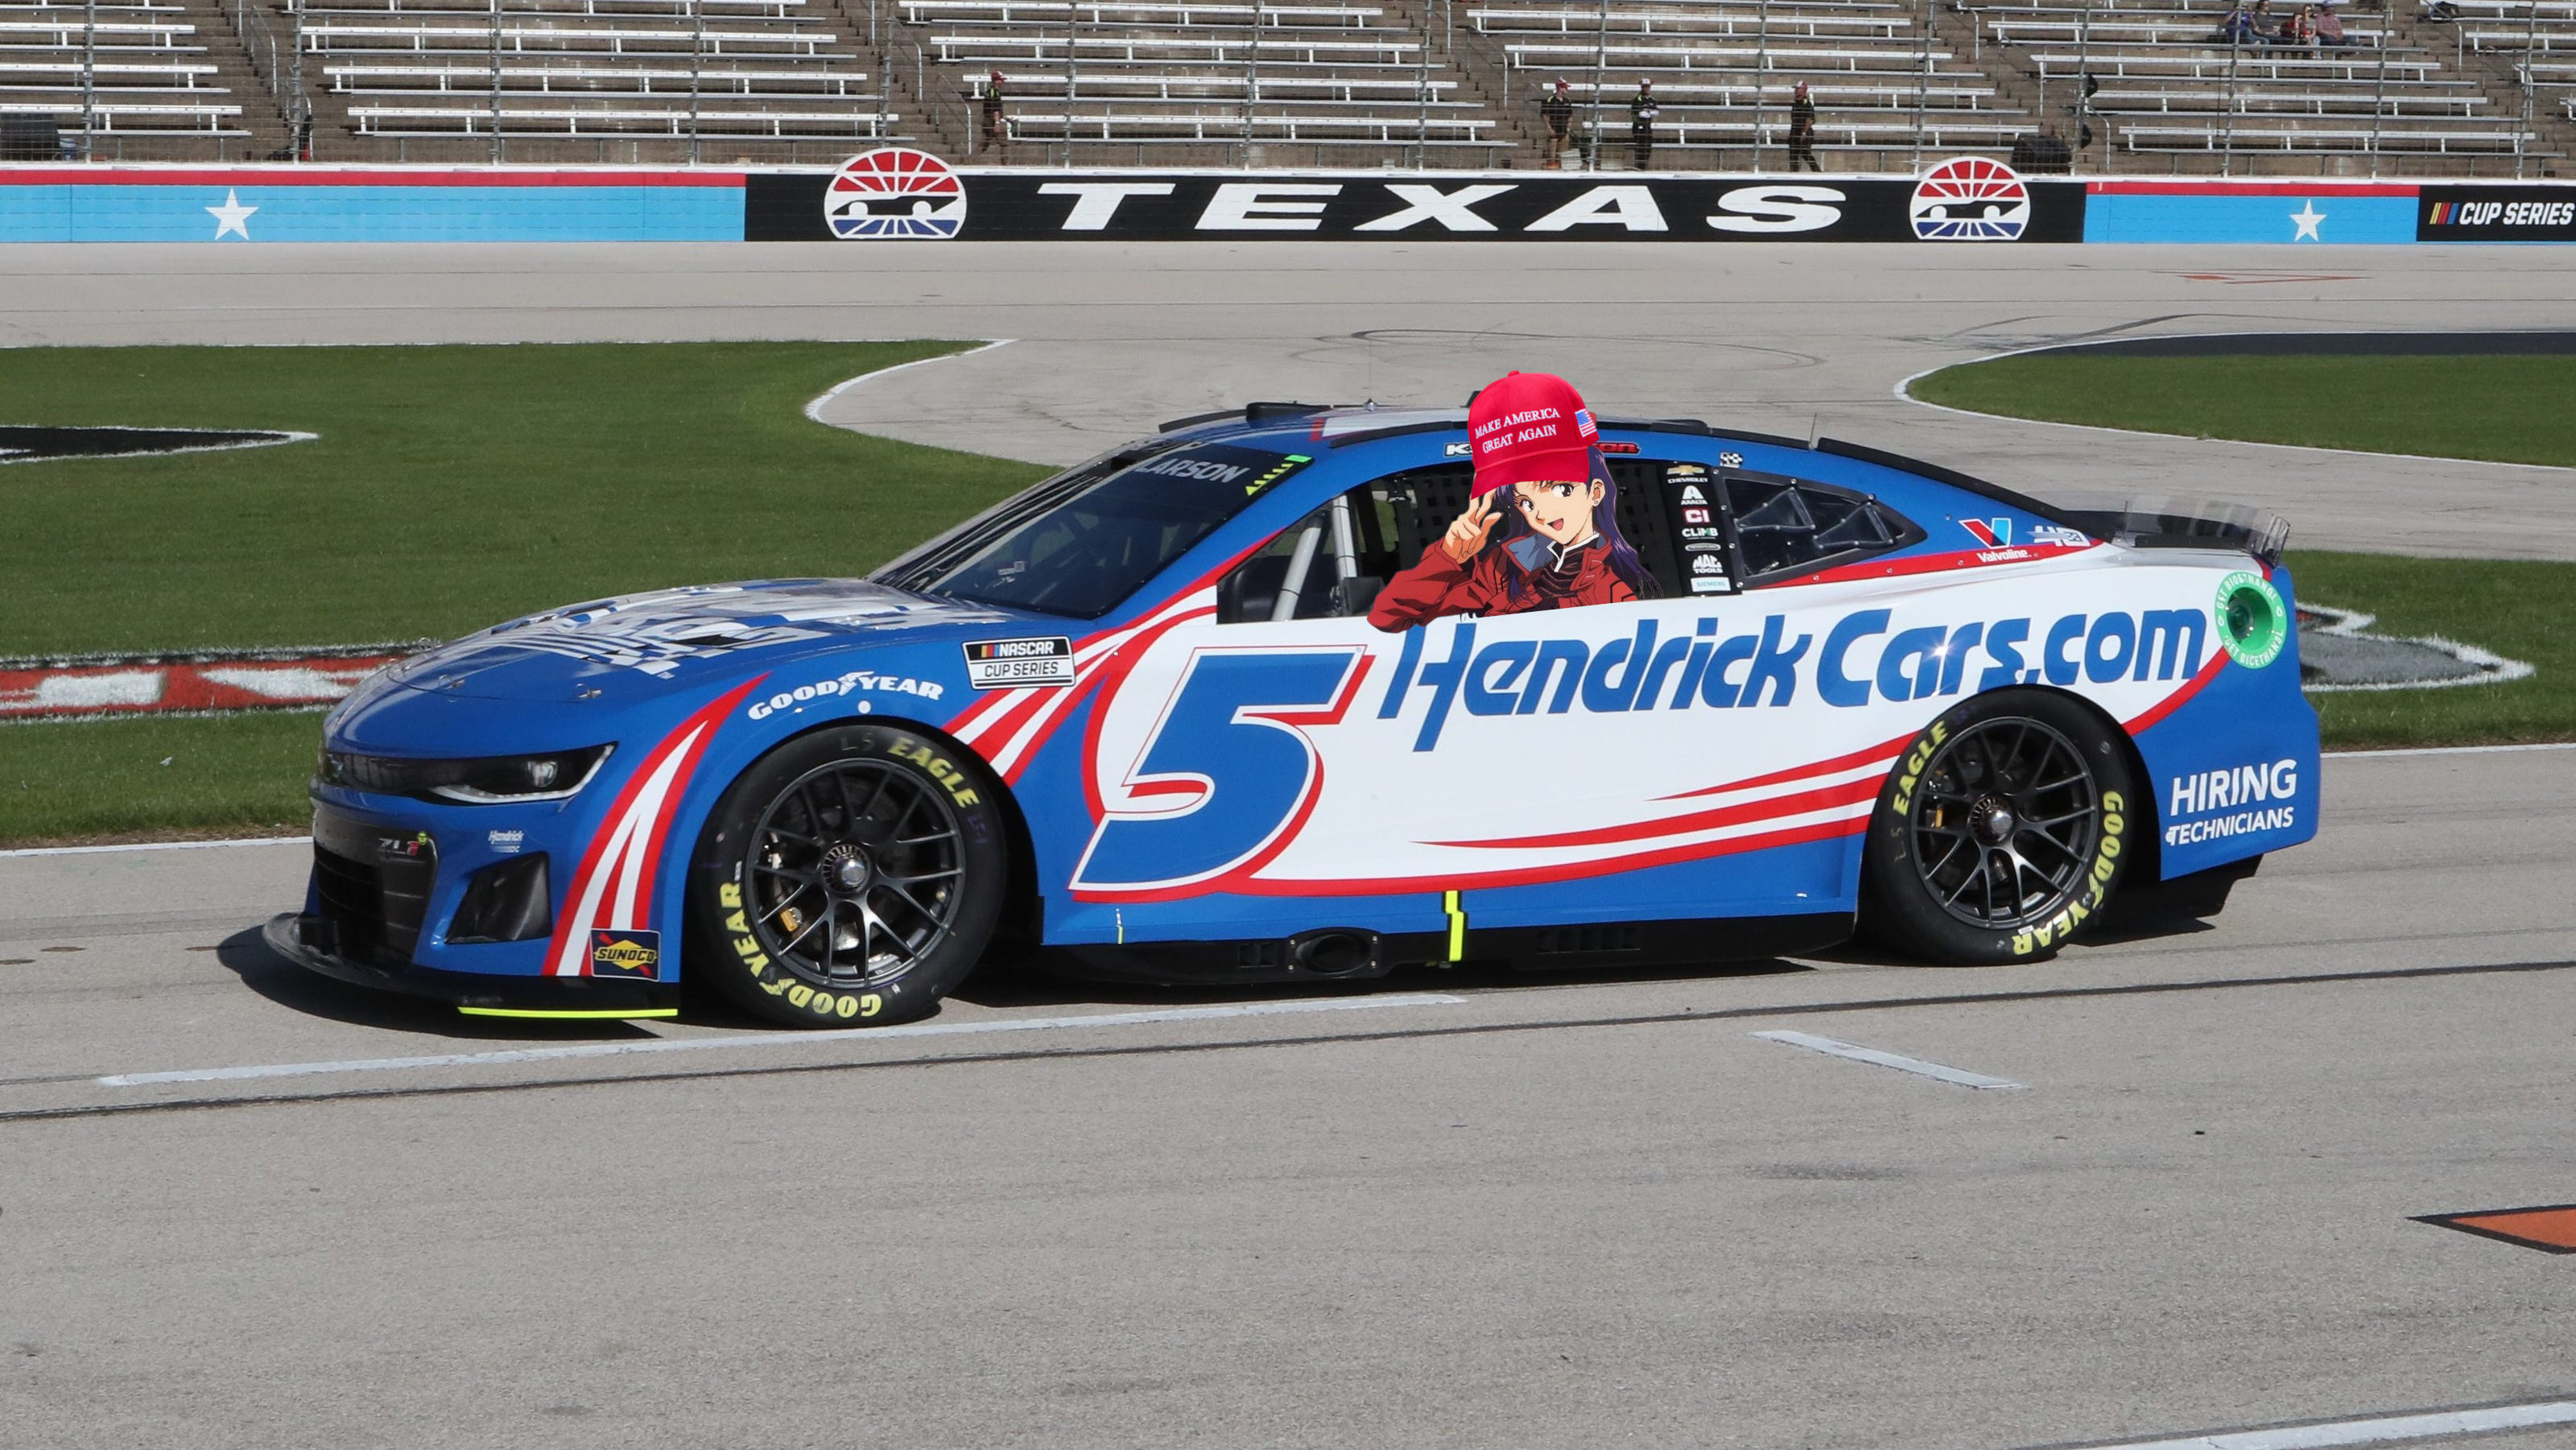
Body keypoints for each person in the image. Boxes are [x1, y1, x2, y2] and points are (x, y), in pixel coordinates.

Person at [1369, 371, 1652, 633]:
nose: (1541, 514)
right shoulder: (1504, 567)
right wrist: (1447, 558)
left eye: (1559, 490)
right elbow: (1389, 619)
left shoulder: (1612, 591)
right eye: (1526, 503)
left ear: (1596, 492)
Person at [1786, 80, 1821, 171]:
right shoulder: (1795, 104)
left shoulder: (1806, 103)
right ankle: (1794, 173)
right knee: (1793, 155)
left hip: (1803, 132)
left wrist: (1804, 132)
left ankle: (1817, 171)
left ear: (1803, 90)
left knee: (1805, 153)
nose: (1796, 91)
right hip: (1795, 132)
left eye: (1798, 89)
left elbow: (1810, 119)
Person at [1540, 78, 1574, 166]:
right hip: (1553, 128)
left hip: (1564, 130)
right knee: (1551, 155)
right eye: (1565, 87)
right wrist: (1549, 128)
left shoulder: (1567, 101)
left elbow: (1570, 116)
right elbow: (1545, 115)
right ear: (1560, 88)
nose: (1567, 89)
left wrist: (1568, 128)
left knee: (1563, 155)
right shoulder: (1550, 100)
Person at [1629, 77, 1659, 169]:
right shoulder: (1637, 100)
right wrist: (1649, 112)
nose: (1647, 88)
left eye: (1648, 86)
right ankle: (1639, 166)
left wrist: (1648, 112)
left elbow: (1656, 112)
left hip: (1647, 126)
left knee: (1648, 146)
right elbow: (1641, 114)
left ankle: (1643, 166)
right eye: (1645, 86)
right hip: (1638, 126)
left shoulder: (1652, 99)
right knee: (1640, 146)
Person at [980, 69, 1009, 158]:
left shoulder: (989, 92)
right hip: (991, 121)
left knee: (985, 142)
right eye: (1000, 80)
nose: (1002, 82)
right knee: (1004, 143)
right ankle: (1006, 162)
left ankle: (972, 159)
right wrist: (997, 123)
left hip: (988, 120)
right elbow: (995, 109)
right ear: (995, 81)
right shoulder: (994, 92)